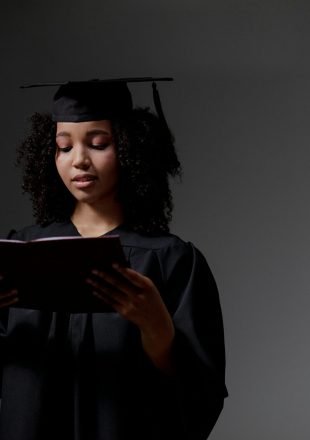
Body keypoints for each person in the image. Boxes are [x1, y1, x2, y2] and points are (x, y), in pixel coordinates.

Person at [0, 78, 228, 440]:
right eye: (63, 147)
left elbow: (200, 395)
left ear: (129, 147)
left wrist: (157, 329)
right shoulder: (19, 252)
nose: (79, 160)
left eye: (98, 144)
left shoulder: (170, 261)